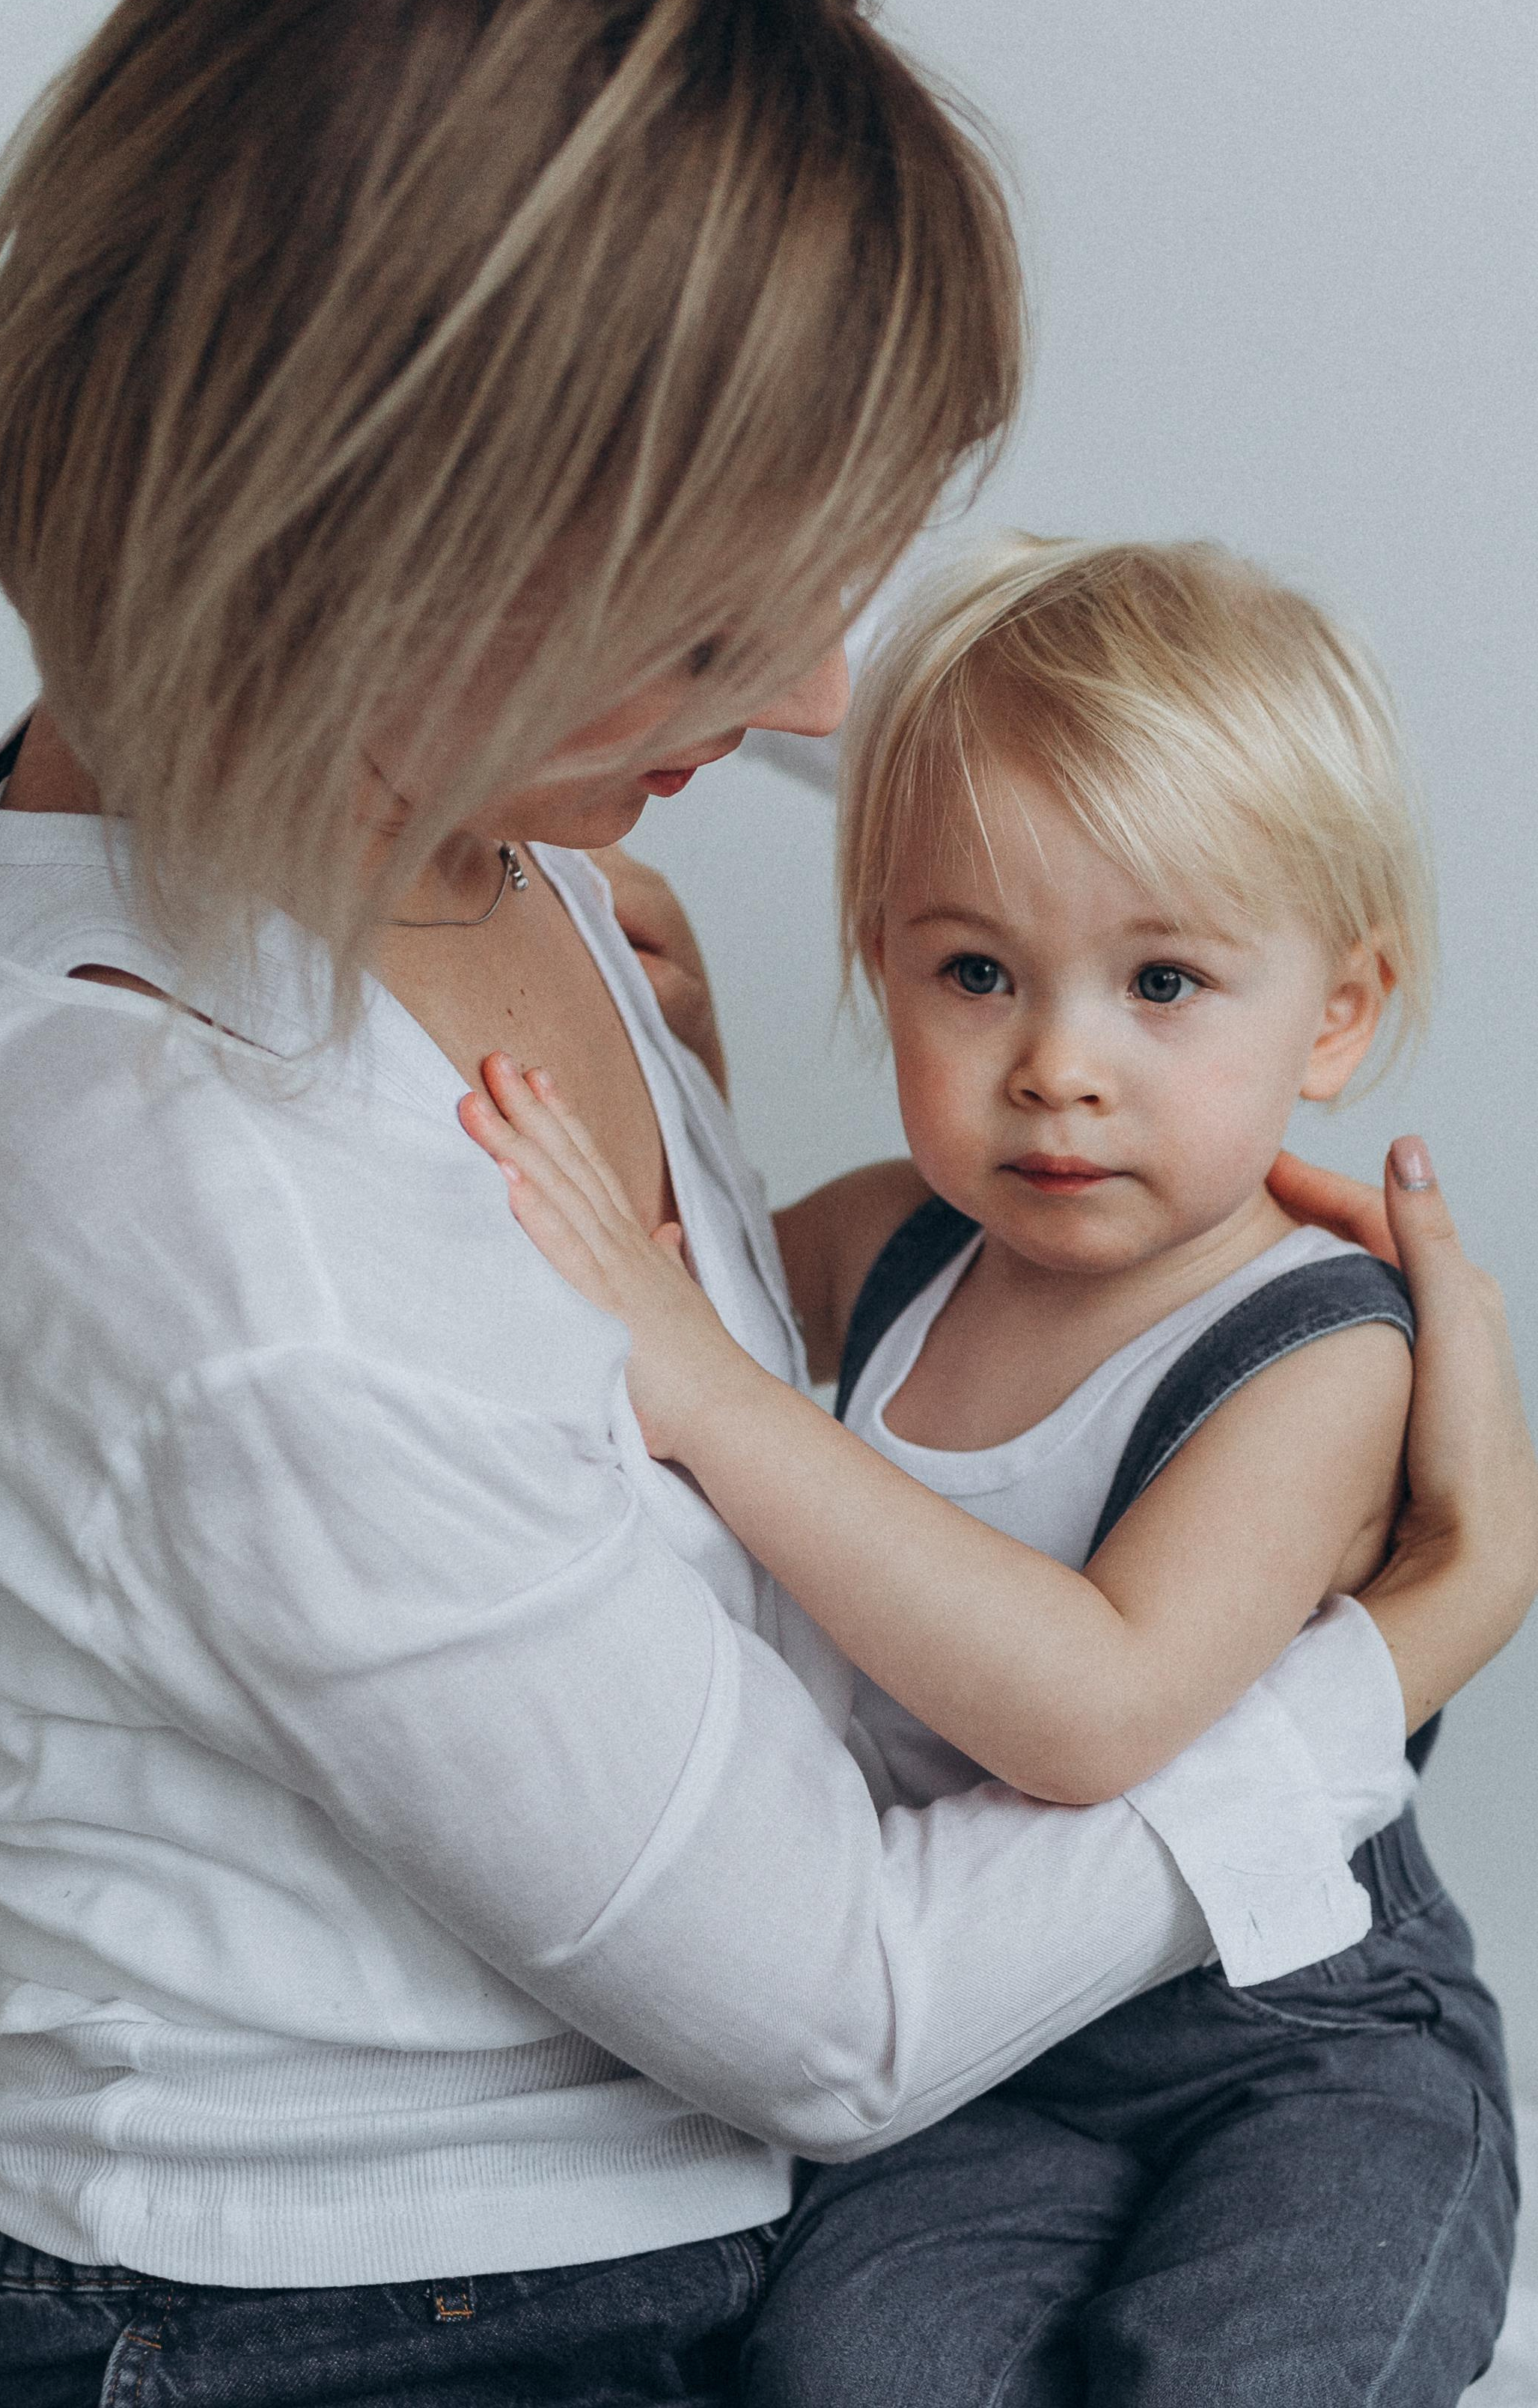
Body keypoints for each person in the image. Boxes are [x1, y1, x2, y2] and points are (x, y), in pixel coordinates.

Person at [0, 0, 1531, 2403]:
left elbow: (1055, 778)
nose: (806, 700)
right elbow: (845, 2007)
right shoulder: (223, 1228)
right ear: (362, 556)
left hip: (753, 2191)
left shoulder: (401, 791)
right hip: (411, 2331)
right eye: (697, 638)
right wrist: (1412, 1628)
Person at [464, 534, 1521, 2400]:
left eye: (1162, 980)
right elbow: (678, 1286)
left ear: (1336, 1013)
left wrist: (713, 1391)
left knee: (1260, 2365)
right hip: (990, 2055)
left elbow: (1091, 1708)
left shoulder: (1320, 1346)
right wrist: (661, 1055)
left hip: (1298, 2042)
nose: (1054, 1063)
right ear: (879, 964)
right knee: (845, 2363)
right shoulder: (896, 1239)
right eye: (973, 970)